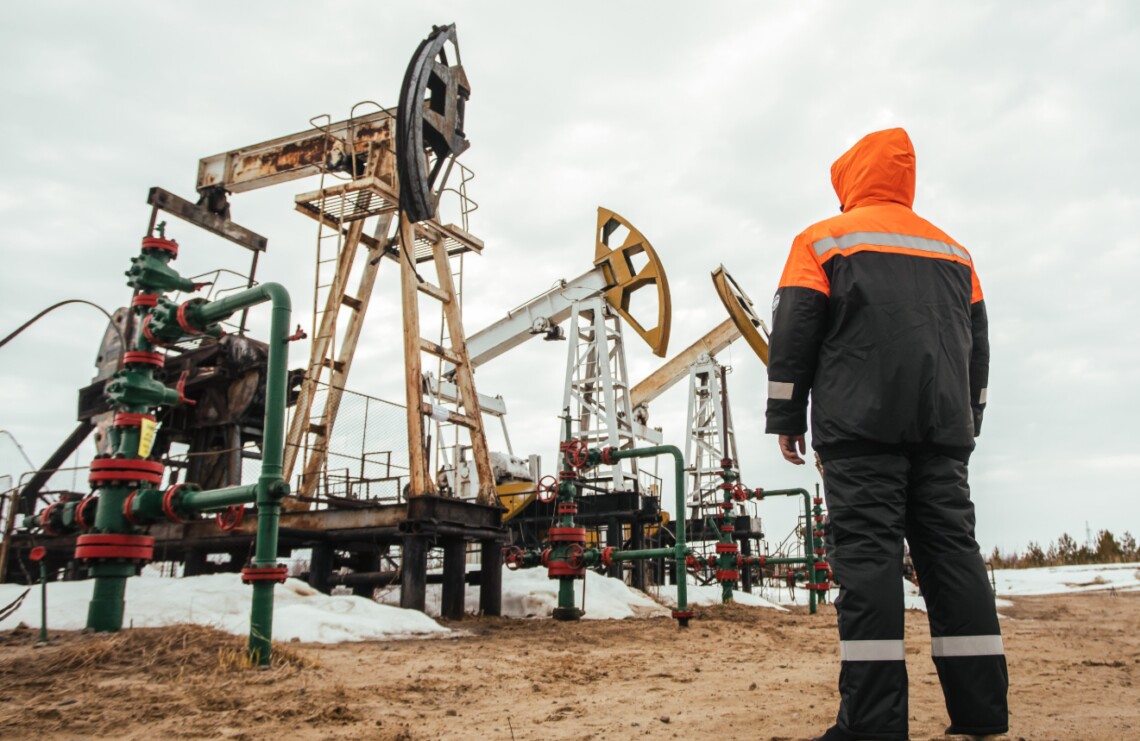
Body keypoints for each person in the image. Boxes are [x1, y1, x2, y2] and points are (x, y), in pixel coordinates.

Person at [765, 128, 1008, 741]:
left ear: (850, 177)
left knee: (868, 563)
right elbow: (978, 347)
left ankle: (873, 724)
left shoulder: (820, 242)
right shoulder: (955, 253)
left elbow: (793, 335)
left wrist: (786, 417)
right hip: (943, 431)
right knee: (952, 557)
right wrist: (970, 416)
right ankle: (981, 713)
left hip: (860, 432)